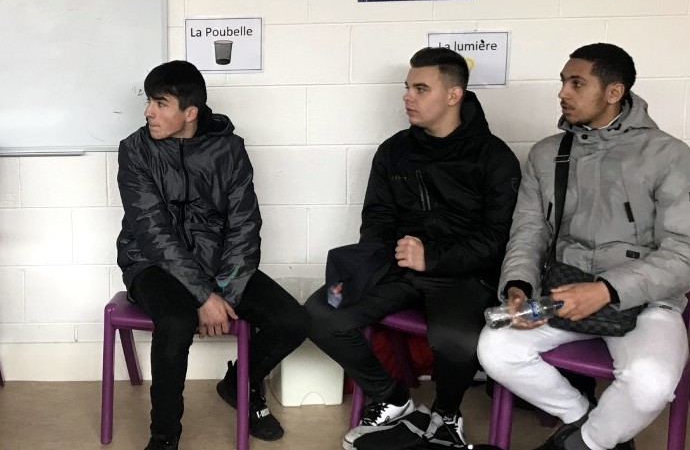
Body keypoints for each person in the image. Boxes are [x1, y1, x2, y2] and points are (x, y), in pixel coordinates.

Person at [478, 43, 690, 450]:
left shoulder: (669, 154)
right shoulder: (547, 153)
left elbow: (689, 252)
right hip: (563, 291)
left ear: (613, 91)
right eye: (563, 82)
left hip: (646, 302)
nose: (562, 93)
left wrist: (606, 290)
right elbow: (529, 232)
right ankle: (584, 420)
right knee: (495, 349)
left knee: (651, 383)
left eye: (577, 83)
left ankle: (580, 444)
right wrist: (519, 286)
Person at [305, 47, 521, 450]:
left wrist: (433, 257)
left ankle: (446, 415)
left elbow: (499, 239)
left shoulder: (495, 157)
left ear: (453, 95)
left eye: (421, 89)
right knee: (322, 312)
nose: (408, 97)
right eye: (407, 87)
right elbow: (377, 220)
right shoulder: (394, 150)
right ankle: (392, 398)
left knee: (455, 340)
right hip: (399, 267)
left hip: (462, 276)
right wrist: (380, 261)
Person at [116, 60, 310, 450]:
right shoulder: (135, 150)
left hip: (220, 264)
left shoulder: (230, 150)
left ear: (190, 112)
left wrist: (225, 293)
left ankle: (239, 383)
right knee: (176, 320)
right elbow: (152, 232)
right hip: (151, 263)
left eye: (160, 103)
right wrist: (204, 297)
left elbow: (244, 225)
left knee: (293, 321)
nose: (148, 112)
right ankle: (164, 436)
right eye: (149, 101)